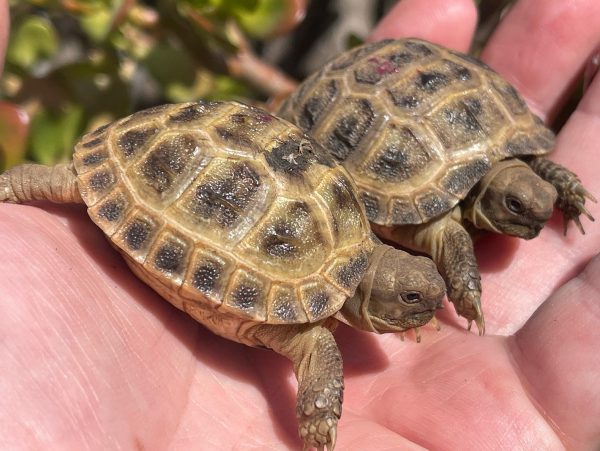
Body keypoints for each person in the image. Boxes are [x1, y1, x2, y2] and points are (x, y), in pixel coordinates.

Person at [1, 0, 599, 448]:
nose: (423, 307)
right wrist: (318, 429)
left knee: (75, 184)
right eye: (413, 299)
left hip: (194, 157)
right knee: (71, 185)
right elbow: (322, 366)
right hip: (170, 171)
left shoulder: (346, 227)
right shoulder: (314, 336)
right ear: (374, 299)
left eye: (418, 295)